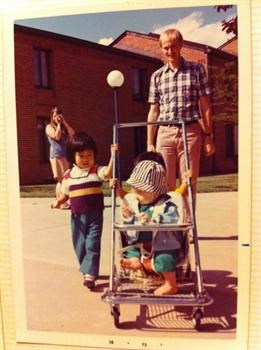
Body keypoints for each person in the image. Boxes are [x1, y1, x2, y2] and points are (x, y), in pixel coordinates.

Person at [147, 28, 215, 220]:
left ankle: (188, 225)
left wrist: (209, 136)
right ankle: (170, 224)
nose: (170, 52)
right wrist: (149, 142)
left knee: (189, 180)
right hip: (165, 133)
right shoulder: (157, 76)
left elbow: (205, 105)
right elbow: (154, 111)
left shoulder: (196, 70)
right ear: (161, 49)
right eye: (166, 48)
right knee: (165, 182)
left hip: (190, 131)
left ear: (181, 46)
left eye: (174, 47)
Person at [51, 131, 118, 290]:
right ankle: (87, 268)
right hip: (77, 218)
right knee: (79, 245)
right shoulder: (68, 175)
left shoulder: (96, 170)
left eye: (90, 155)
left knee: (92, 244)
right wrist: (57, 202)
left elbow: (108, 174)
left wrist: (113, 156)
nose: (86, 159)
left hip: (95, 215)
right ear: (72, 157)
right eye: (81, 156)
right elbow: (65, 195)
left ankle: (90, 275)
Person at [118, 160, 182, 296]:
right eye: (135, 189)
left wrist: (154, 220)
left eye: (140, 191)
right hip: (139, 243)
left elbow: (173, 220)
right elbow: (129, 228)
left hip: (162, 245)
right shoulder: (134, 204)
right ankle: (135, 262)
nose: (135, 194)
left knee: (166, 258)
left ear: (156, 192)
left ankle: (171, 284)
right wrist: (128, 217)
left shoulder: (167, 205)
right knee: (131, 251)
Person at [46, 106, 75, 209]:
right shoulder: (49, 127)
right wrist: (58, 124)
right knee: (60, 179)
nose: (56, 118)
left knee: (65, 178)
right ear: (51, 117)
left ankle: (64, 202)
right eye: (54, 116)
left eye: (58, 116)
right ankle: (61, 203)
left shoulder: (63, 127)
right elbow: (56, 137)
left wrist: (64, 123)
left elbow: (73, 134)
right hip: (56, 155)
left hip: (64, 154)